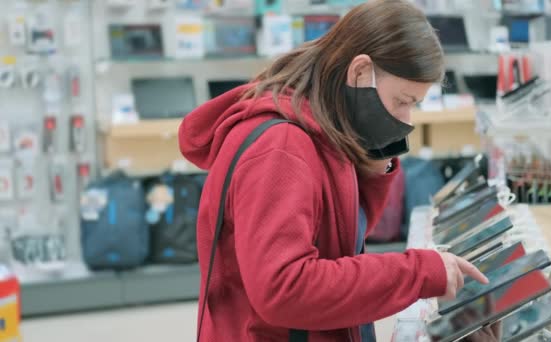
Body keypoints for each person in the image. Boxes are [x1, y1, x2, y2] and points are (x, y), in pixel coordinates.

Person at [179, 0, 493, 341]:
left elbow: (341, 240)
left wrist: (374, 163)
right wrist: (418, 272)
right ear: (360, 72)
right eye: (402, 101)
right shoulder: (281, 148)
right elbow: (284, 288)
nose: (406, 120)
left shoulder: (321, 127)